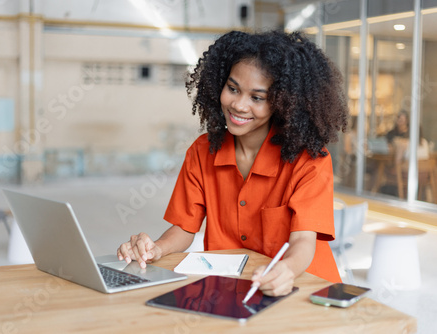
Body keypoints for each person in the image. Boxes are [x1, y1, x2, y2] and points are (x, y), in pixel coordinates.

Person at [117, 30, 349, 297]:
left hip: (306, 288)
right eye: (233, 89)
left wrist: (287, 269)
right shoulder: (202, 151)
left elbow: (303, 241)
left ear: (283, 103)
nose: (239, 105)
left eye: (257, 98)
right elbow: (183, 228)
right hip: (234, 289)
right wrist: (157, 248)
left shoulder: (309, 161)